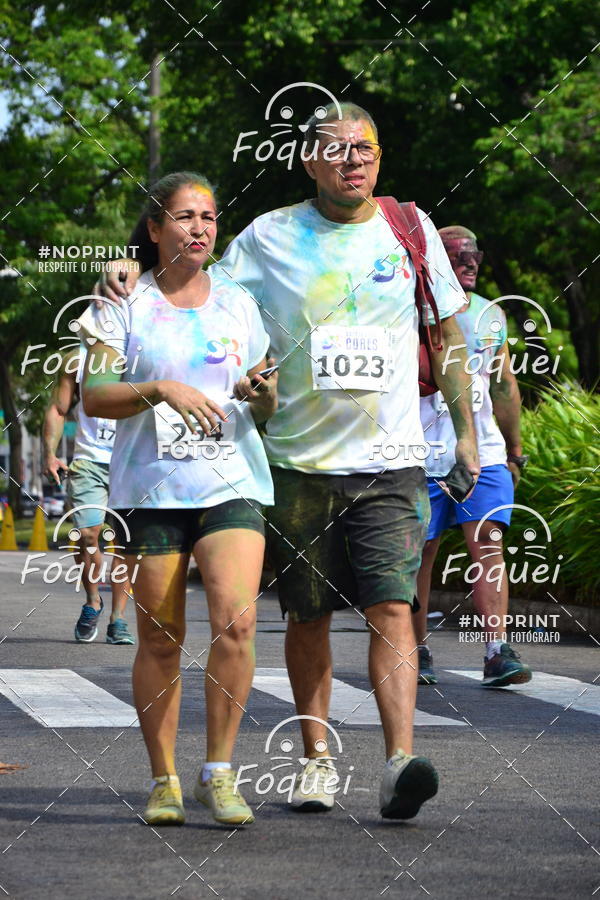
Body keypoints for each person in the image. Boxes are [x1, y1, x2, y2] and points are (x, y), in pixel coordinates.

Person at [102, 105, 480, 821]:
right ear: (309, 162)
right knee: (306, 618)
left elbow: (448, 333)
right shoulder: (268, 237)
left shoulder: (411, 229)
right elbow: (194, 278)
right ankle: (316, 761)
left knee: (393, 608)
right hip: (298, 462)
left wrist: (465, 434)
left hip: (393, 458)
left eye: (363, 148)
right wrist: (131, 269)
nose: (352, 160)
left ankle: (399, 760)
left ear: (379, 155)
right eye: (335, 151)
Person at [79, 172, 278, 828]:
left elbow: (269, 398)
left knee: (238, 621)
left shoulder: (239, 305)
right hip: (152, 490)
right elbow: (94, 396)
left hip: (231, 481)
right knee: (161, 638)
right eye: (186, 216)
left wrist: (261, 392)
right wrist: (160, 388)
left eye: (210, 217)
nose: (200, 227)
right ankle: (163, 778)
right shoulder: (120, 301)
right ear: (157, 226)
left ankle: (218, 772)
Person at [415, 225, 532, 687]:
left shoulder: (490, 316)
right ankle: (415, 650)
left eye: (474, 255)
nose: (469, 263)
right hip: (420, 452)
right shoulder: (408, 312)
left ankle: (497, 651)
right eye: (457, 255)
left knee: (488, 545)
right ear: (433, 261)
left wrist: (516, 450)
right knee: (420, 551)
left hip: (482, 452)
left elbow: (504, 385)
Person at [42, 348, 135, 644]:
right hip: (89, 460)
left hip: (134, 460)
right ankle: (93, 600)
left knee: (125, 540)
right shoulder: (76, 358)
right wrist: (50, 454)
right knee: (88, 535)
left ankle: (118, 618)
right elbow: (59, 408)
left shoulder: (146, 349)